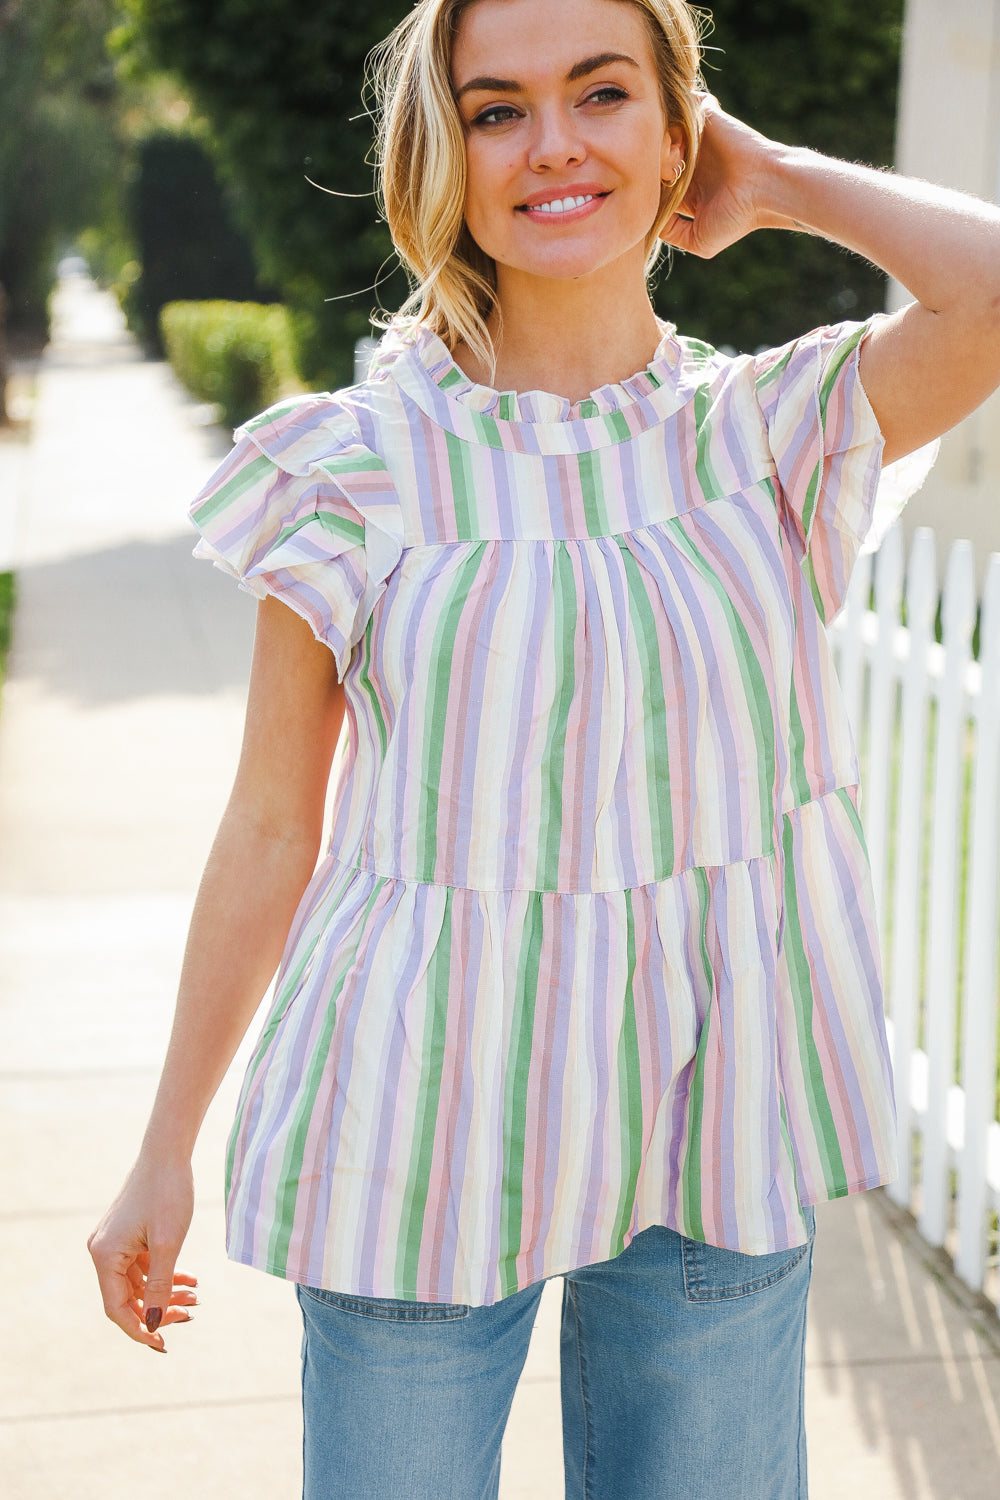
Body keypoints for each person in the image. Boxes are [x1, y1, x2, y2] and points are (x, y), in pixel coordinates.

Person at [88, 1, 1000, 1495]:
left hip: (715, 1122)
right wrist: (164, 1145)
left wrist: (771, 180)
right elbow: (270, 825)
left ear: (672, 127)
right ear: (442, 149)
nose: (555, 144)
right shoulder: (351, 465)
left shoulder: (768, 433)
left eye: (603, 94)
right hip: (416, 1124)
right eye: (498, 107)